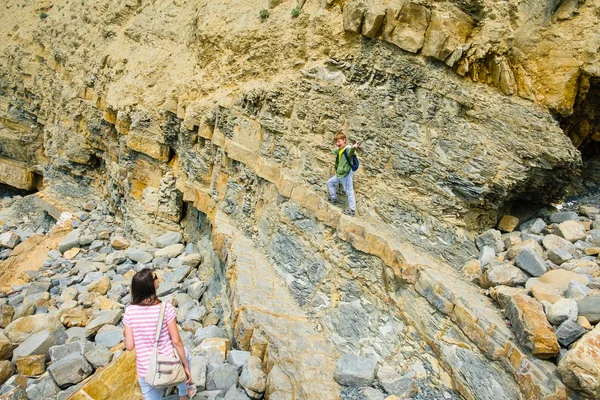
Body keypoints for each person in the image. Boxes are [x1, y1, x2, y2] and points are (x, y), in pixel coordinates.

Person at [123, 268, 196, 400]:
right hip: (169, 365)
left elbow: (129, 346)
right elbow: (176, 340)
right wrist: (186, 366)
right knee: (185, 354)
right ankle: (183, 394)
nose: (158, 278)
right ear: (151, 285)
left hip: (147, 370)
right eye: (156, 277)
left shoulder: (129, 311)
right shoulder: (165, 308)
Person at [327, 132, 361, 216]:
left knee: (349, 191)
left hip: (346, 174)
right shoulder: (340, 150)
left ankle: (352, 210)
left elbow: (351, 151)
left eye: (339, 141)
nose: (337, 143)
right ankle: (334, 199)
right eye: (336, 142)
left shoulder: (348, 149)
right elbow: (334, 151)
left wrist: (354, 147)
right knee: (330, 182)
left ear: (344, 140)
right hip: (340, 174)